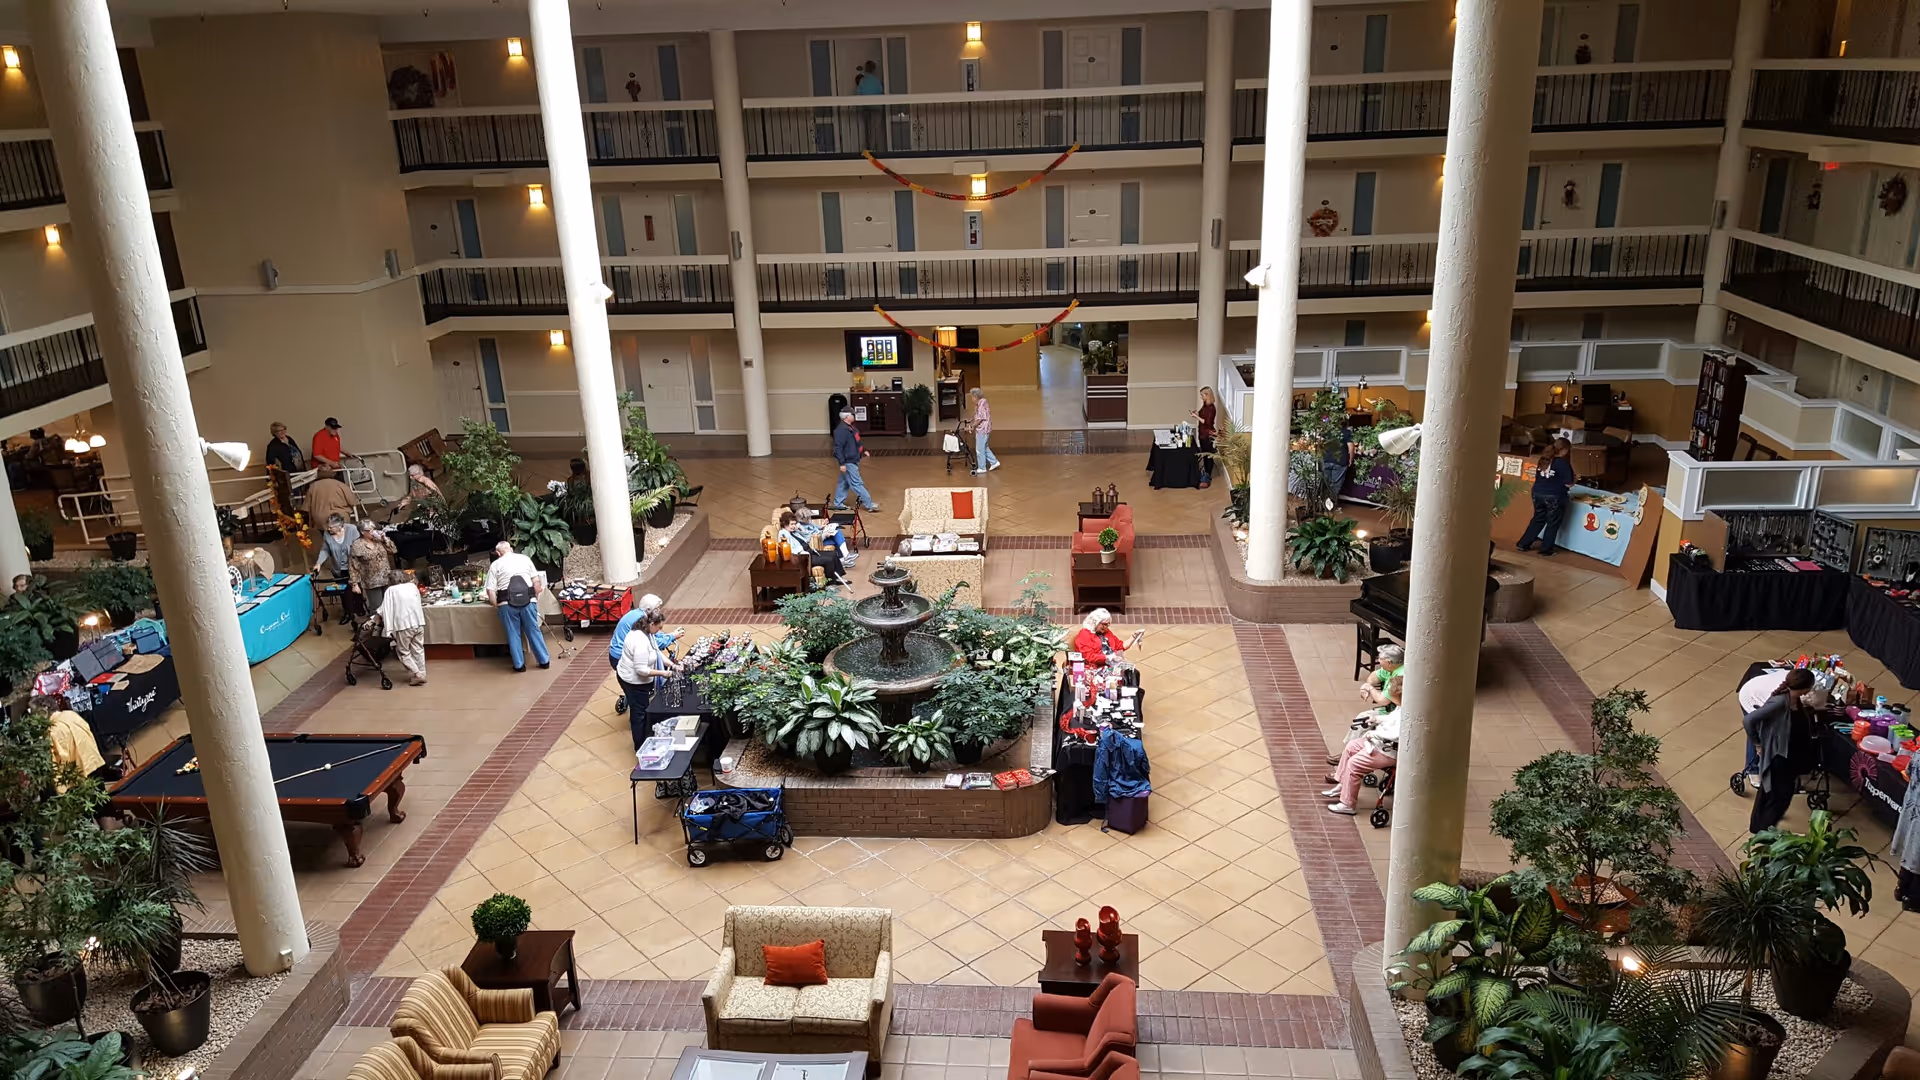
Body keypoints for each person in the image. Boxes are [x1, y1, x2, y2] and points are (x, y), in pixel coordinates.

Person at [1744, 667, 1817, 834]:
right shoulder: (1779, 702)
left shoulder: (1795, 700)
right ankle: (1764, 830)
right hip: (1780, 757)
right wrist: (1757, 743)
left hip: (1790, 756)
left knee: (1772, 792)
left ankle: (1758, 827)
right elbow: (1749, 720)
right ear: (1806, 688)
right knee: (1780, 797)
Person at [1326, 676, 1403, 816]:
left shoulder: (1406, 713)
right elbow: (1391, 719)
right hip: (1380, 743)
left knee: (1354, 764)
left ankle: (1347, 804)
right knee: (1351, 746)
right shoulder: (1400, 706)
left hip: (1388, 750)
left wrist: (1374, 735)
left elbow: (1396, 734)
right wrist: (1375, 719)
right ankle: (1342, 785)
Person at [616, 609, 681, 749]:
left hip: (636, 679)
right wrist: (663, 673)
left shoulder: (647, 633)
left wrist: (671, 665)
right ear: (651, 624)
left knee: (643, 711)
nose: (660, 630)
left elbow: (656, 651)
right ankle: (640, 746)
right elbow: (641, 670)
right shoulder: (639, 642)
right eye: (659, 627)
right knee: (639, 714)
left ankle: (647, 739)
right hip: (633, 682)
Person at [486, 541, 550, 672]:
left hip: (506, 603)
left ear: (498, 553)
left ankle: (519, 665)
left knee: (513, 633)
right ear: (511, 549)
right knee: (533, 630)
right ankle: (544, 661)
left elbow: (490, 591)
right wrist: (534, 599)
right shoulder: (525, 559)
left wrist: (497, 605)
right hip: (528, 600)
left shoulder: (495, 564)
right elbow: (537, 583)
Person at [1735, 665, 1793, 794]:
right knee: (1758, 731)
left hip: (1762, 691)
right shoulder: (1776, 700)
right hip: (1751, 697)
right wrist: (1758, 744)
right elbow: (1749, 722)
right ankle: (1753, 769)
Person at [1516, 438, 1574, 557]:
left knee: (1538, 518)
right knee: (1552, 522)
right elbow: (1568, 483)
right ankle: (1546, 549)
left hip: (1537, 493)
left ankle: (1523, 544)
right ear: (1564, 450)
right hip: (1554, 496)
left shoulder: (1543, 460)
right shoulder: (1563, 463)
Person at [378, 575, 428, 686]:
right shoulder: (412, 586)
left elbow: (384, 608)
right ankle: (422, 673)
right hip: (418, 622)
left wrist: (373, 620)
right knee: (418, 649)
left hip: (404, 625)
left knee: (403, 651)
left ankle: (417, 674)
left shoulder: (391, 590)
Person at [830, 409, 881, 513]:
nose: (854, 416)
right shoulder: (841, 431)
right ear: (846, 417)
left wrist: (864, 450)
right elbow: (838, 448)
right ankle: (869, 504)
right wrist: (842, 463)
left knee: (844, 482)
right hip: (848, 461)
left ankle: (838, 504)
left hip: (852, 459)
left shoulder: (851, 428)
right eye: (853, 414)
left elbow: (857, 442)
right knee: (857, 483)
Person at [780, 509, 849, 587]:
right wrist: (801, 552)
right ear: (785, 524)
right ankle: (830, 583)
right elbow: (788, 549)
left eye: (794, 524)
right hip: (804, 557)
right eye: (791, 524)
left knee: (832, 554)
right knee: (828, 560)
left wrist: (800, 529)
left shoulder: (794, 531)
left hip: (810, 551)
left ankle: (839, 577)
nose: (793, 526)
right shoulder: (783, 534)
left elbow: (807, 538)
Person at [1074, 609, 1142, 670]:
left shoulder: (1106, 631)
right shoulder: (1084, 635)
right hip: (1095, 668)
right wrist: (1110, 657)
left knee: (1133, 674)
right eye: (1104, 624)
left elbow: (1120, 646)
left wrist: (1134, 637)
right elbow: (1089, 657)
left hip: (1112, 665)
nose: (1106, 627)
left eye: (1108, 625)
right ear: (1095, 622)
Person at [348, 519, 399, 602]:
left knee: (389, 604)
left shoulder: (379, 540)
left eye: (373, 529)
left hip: (386, 578)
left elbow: (393, 551)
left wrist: (385, 539)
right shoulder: (357, 545)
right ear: (362, 532)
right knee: (377, 608)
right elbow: (353, 565)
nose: (373, 532)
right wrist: (354, 583)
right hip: (371, 581)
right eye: (369, 530)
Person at [304, 466, 358, 535]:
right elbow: (353, 502)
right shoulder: (341, 485)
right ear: (333, 474)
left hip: (321, 520)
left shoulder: (313, 487)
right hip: (340, 518)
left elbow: (306, 508)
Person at [965, 387, 1000, 475]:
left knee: (979, 449)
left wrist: (971, 426)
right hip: (986, 429)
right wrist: (971, 419)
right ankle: (994, 462)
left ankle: (982, 467)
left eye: (972, 397)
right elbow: (977, 415)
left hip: (982, 430)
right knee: (984, 447)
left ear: (976, 396)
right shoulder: (982, 402)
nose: (972, 399)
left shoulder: (981, 405)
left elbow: (980, 418)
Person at [855, 59, 884, 149]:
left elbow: (858, 94)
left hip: (866, 109)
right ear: (874, 69)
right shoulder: (877, 81)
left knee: (867, 131)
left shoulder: (862, 81)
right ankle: (873, 149)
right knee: (875, 131)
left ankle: (868, 149)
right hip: (876, 109)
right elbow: (881, 92)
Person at [1193, 387, 1218, 489]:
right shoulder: (1205, 406)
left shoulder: (1211, 408)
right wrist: (1197, 413)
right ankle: (1206, 473)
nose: (1201, 397)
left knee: (1208, 454)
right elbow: (1203, 415)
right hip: (1202, 433)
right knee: (1204, 453)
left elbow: (1206, 422)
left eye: (1203, 395)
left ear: (1207, 395)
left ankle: (1207, 475)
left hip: (1207, 434)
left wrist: (1196, 417)